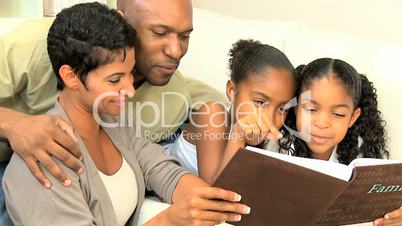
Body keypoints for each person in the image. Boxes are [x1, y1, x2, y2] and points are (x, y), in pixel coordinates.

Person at [2, 3, 250, 226]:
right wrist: (170, 220)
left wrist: (212, 203)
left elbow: (161, 169)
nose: (131, 90)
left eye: (131, 74)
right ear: (70, 76)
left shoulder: (115, 123)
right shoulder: (47, 161)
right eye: (115, 79)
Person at [278, 58, 401, 225]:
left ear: (352, 118)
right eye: (311, 110)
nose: (321, 123)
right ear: (295, 107)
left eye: (338, 114)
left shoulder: (364, 155)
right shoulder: (278, 145)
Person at [163, 39, 296, 184]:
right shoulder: (213, 115)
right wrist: (238, 135)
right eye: (259, 102)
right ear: (232, 91)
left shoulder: (276, 138)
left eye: (282, 108)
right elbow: (217, 191)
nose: (269, 118)